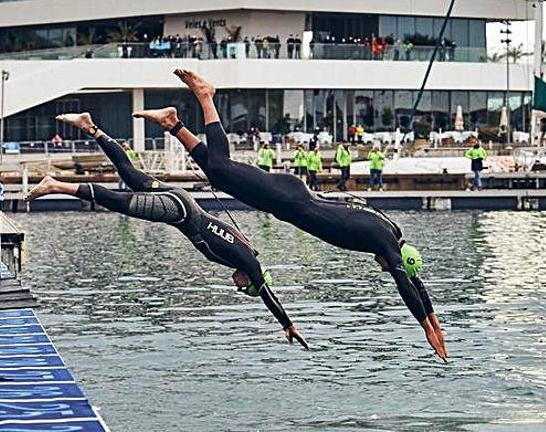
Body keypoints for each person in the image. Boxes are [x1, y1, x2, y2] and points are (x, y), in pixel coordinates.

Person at [133, 69, 447, 360]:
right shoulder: (385, 242)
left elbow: (415, 281)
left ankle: (172, 124)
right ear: (401, 260)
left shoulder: (389, 230)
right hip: (287, 199)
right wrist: (426, 329)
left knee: (220, 176)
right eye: (391, 268)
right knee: (221, 167)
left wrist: (435, 323)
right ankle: (205, 96)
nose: (384, 268)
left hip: (288, 198)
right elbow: (407, 285)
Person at [25, 113, 309, 349]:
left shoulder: (239, 257)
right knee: (119, 202)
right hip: (178, 210)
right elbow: (266, 293)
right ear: (250, 278)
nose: (237, 286)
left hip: (181, 203)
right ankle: (56, 185)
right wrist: (287, 324)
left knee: (128, 173)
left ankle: (90, 126)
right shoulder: (247, 260)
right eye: (243, 287)